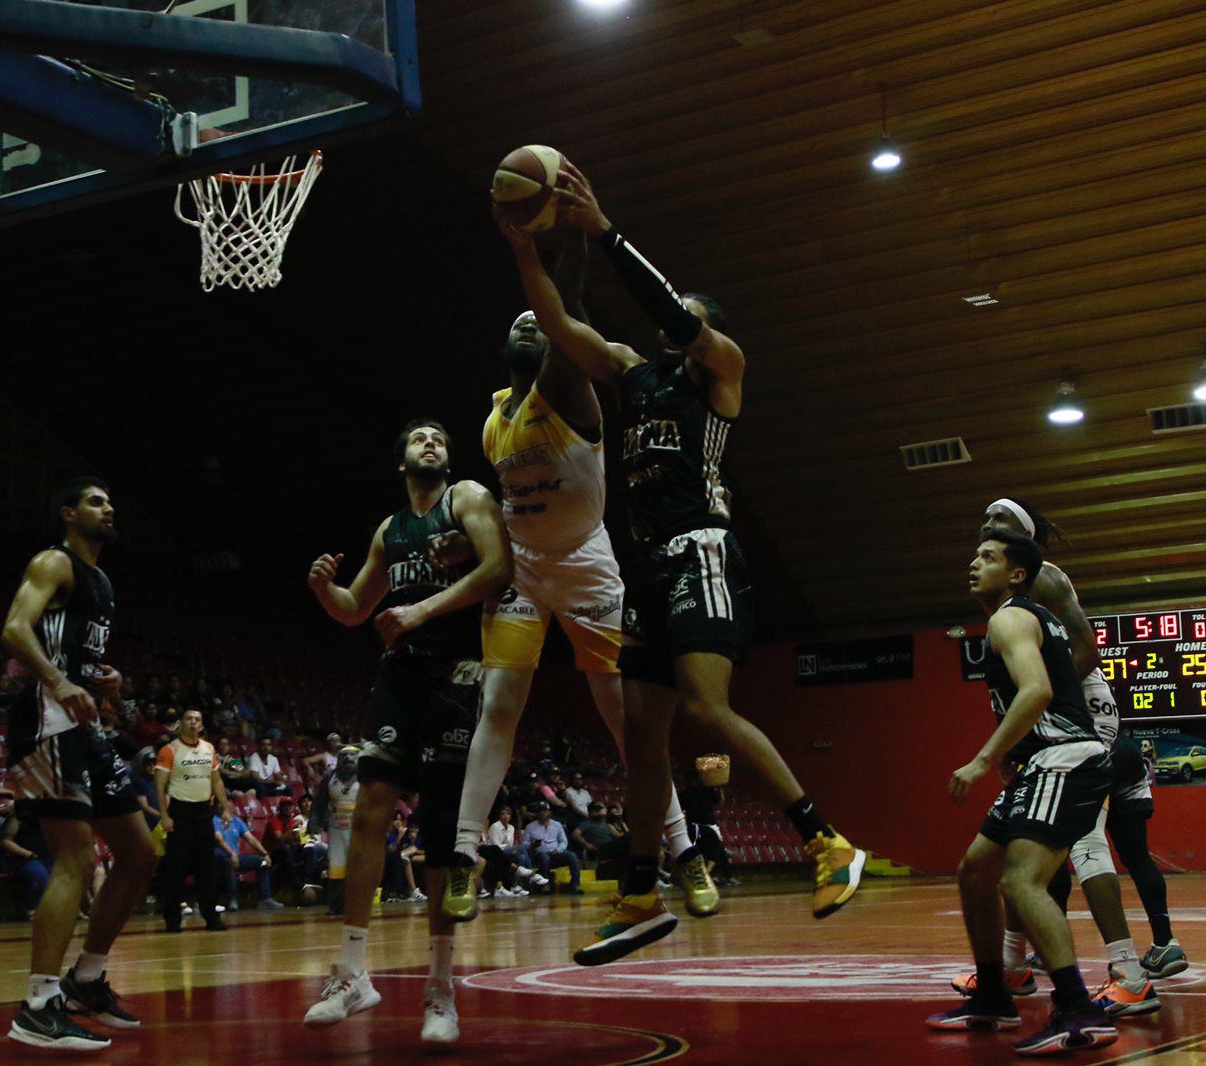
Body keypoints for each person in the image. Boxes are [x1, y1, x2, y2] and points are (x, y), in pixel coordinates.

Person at [498, 160, 864, 966]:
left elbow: (669, 306)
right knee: (642, 733)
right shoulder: (634, 373)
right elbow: (559, 322)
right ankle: (639, 889)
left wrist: (604, 231)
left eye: (685, 317)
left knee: (705, 706)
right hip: (649, 568)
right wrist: (527, 250)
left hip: (703, 550)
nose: (672, 323)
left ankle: (827, 841)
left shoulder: (720, 373)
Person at [442, 282, 711, 926]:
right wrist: (469, 544)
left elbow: (565, 319)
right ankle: (461, 856)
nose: (532, 324)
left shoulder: (570, 394)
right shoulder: (493, 423)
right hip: (525, 570)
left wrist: (550, 268)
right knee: (499, 707)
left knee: (628, 722)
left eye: (542, 322)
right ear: (503, 345)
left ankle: (684, 850)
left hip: (588, 567)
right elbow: (515, 505)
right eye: (521, 320)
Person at [302, 419, 512, 1043]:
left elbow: (498, 568)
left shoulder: (468, 497)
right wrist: (323, 590)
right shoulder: (390, 531)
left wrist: (421, 608)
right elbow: (353, 609)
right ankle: (353, 970)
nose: (431, 444)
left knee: (441, 830)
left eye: (440, 439)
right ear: (401, 462)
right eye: (420, 439)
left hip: (457, 673)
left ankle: (440, 991)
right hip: (400, 676)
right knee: (369, 808)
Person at [979, 499, 1182, 1000]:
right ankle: (1014, 966)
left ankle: (1129, 973)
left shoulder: (1043, 578)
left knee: (1086, 838)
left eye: (1000, 524)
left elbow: (1087, 647)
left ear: (1025, 540)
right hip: (1051, 718)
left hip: (1080, 712)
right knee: (1021, 838)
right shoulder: (1003, 589)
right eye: (985, 524)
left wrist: (1045, 706)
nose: (988, 528)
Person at [925, 530, 1118, 1054]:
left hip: (1063, 759)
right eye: (974, 553)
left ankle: (1079, 1010)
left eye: (987, 557)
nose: (973, 563)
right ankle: (992, 994)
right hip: (1046, 760)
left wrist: (983, 760)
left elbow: (1037, 691)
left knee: (1020, 882)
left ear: (1015, 574)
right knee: (975, 871)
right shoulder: (1030, 617)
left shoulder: (1009, 617)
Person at [1, 478, 157, 1051]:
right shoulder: (52, 561)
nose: (108, 507)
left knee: (140, 854)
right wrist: (62, 680)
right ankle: (38, 1006)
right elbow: (16, 629)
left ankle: (85, 980)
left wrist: (101, 677)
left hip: (85, 728)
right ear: (67, 514)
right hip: (45, 721)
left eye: (111, 501)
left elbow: (70, 650)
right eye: (95, 501)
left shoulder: (103, 582)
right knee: (75, 853)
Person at [154, 708, 232, 932]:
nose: (193, 722)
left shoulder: (209, 749)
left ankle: (211, 918)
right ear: (181, 723)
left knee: (206, 869)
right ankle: (172, 920)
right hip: (179, 813)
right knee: (175, 869)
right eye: (189, 719)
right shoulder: (169, 750)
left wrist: (225, 808)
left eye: (197, 719)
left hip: (204, 813)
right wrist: (165, 815)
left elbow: (216, 782)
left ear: (201, 725)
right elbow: (159, 786)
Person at [309, 745, 363, 914]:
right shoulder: (329, 777)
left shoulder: (365, 778)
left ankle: (356, 904)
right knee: (336, 868)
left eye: (352, 755)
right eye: (344, 755)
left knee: (357, 868)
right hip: (336, 830)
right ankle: (336, 905)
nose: (348, 759)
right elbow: (319, 802)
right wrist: (314, 822)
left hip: (359, 830)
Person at [213, 809, 284, 910]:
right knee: (228, 861)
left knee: (261, 862)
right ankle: (232, 899)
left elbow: (251, 839)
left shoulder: (236, 821)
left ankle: (265, 898)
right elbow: (219, 839)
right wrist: (232, 854)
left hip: (236, 857)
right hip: (220, 857)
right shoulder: (214, 820)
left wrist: (264, 854)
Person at [523, 804, 582, 893]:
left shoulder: (557, 825)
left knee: (572, 856)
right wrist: (532, 844)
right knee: (544, 856)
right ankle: (545, 885)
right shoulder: (530, 827)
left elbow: (563, 841)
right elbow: (524, 844)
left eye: (544, 811)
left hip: (556, 854)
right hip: (539, 854)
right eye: (540, 811)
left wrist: (558, 850)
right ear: (536, 813)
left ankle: (575, 885)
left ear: (549, 812)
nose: (542, 813)